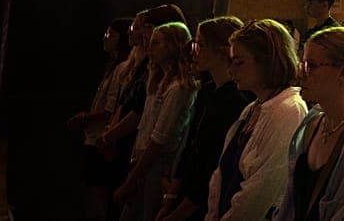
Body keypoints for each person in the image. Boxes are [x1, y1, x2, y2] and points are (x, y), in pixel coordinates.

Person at [273, 26, 344, 221]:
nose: (300, 74)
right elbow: (290, 201)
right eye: (302, 64)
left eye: (311, 66)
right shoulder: (313, 121)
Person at [207, 19, 308, 220]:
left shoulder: (288, 110)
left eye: (239, 62)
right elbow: (223, 175)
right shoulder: (253, 108)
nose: (231, 71)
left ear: (266, 61)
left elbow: (260, 192)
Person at [158, 17, 251, 221]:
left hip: (206, 202)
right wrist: (172, 193)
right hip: (187, 192)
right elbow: (192, 146)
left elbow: (212, 163)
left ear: (222, 50)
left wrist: (178, 213)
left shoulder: (235, 101)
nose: (194, 51)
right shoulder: (207, 91)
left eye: (201, 45)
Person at [116, 22, 198, 221]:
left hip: (157, 165)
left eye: (156, 43)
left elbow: (160, 138)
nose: (149, 48)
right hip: (143, 160)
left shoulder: (178, 87)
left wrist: (132, 178)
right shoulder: (158, 80)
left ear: (173, 46)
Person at [67, 17, 132, 220]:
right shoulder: (113, 66)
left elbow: (111, 107)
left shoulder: (122, 67)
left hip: (101, 138)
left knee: (99, 196)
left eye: (111, 34)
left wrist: (86, 117)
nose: (105, 38)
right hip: (95, 136)